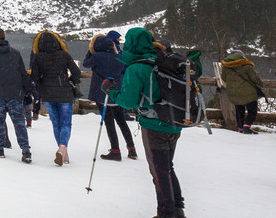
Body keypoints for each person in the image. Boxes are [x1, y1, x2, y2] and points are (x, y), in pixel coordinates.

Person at [107, 27, 185, 218]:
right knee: (167, 167)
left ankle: (166, 213)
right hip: (174, 122)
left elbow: (127, 101)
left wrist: (110, 91)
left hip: (153, 126)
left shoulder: (136, 68)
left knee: (159, 171)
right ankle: (178, 209)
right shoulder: (162, 61)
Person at [30, 30, 81, 166]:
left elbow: (34, 77)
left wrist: (42, 84)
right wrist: (69, 81)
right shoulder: (64, 55)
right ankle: (63, 147)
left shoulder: (38, 57)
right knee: (66, 123)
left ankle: (63, 151)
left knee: (56, 123)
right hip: (65, 92)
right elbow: (76, 72)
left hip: (48, 93)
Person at [0, 28, 31, 162]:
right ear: (4, 37)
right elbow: (23, 74)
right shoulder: (15, 53)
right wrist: (28, 92)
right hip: (15, 94)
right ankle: (26, 151)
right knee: (19, 122)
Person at [83, 33, 137, 161]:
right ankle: (131, 149)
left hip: (102, 93)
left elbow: (86, 64)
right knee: (121, 121)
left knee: (109, 122)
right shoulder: (119, 57)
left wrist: (90, 52)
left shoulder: (97, 56)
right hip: (117, 92)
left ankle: (115, 150)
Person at [220, 50, 264, 134]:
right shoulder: (247, 66)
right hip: (248, 91)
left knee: (239, 111)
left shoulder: (226, 66)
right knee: (252, 110)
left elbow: (224, 78)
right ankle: (247, 126)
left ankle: (240, 128)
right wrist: (260, 84)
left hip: (234, 91)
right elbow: (254, 78)